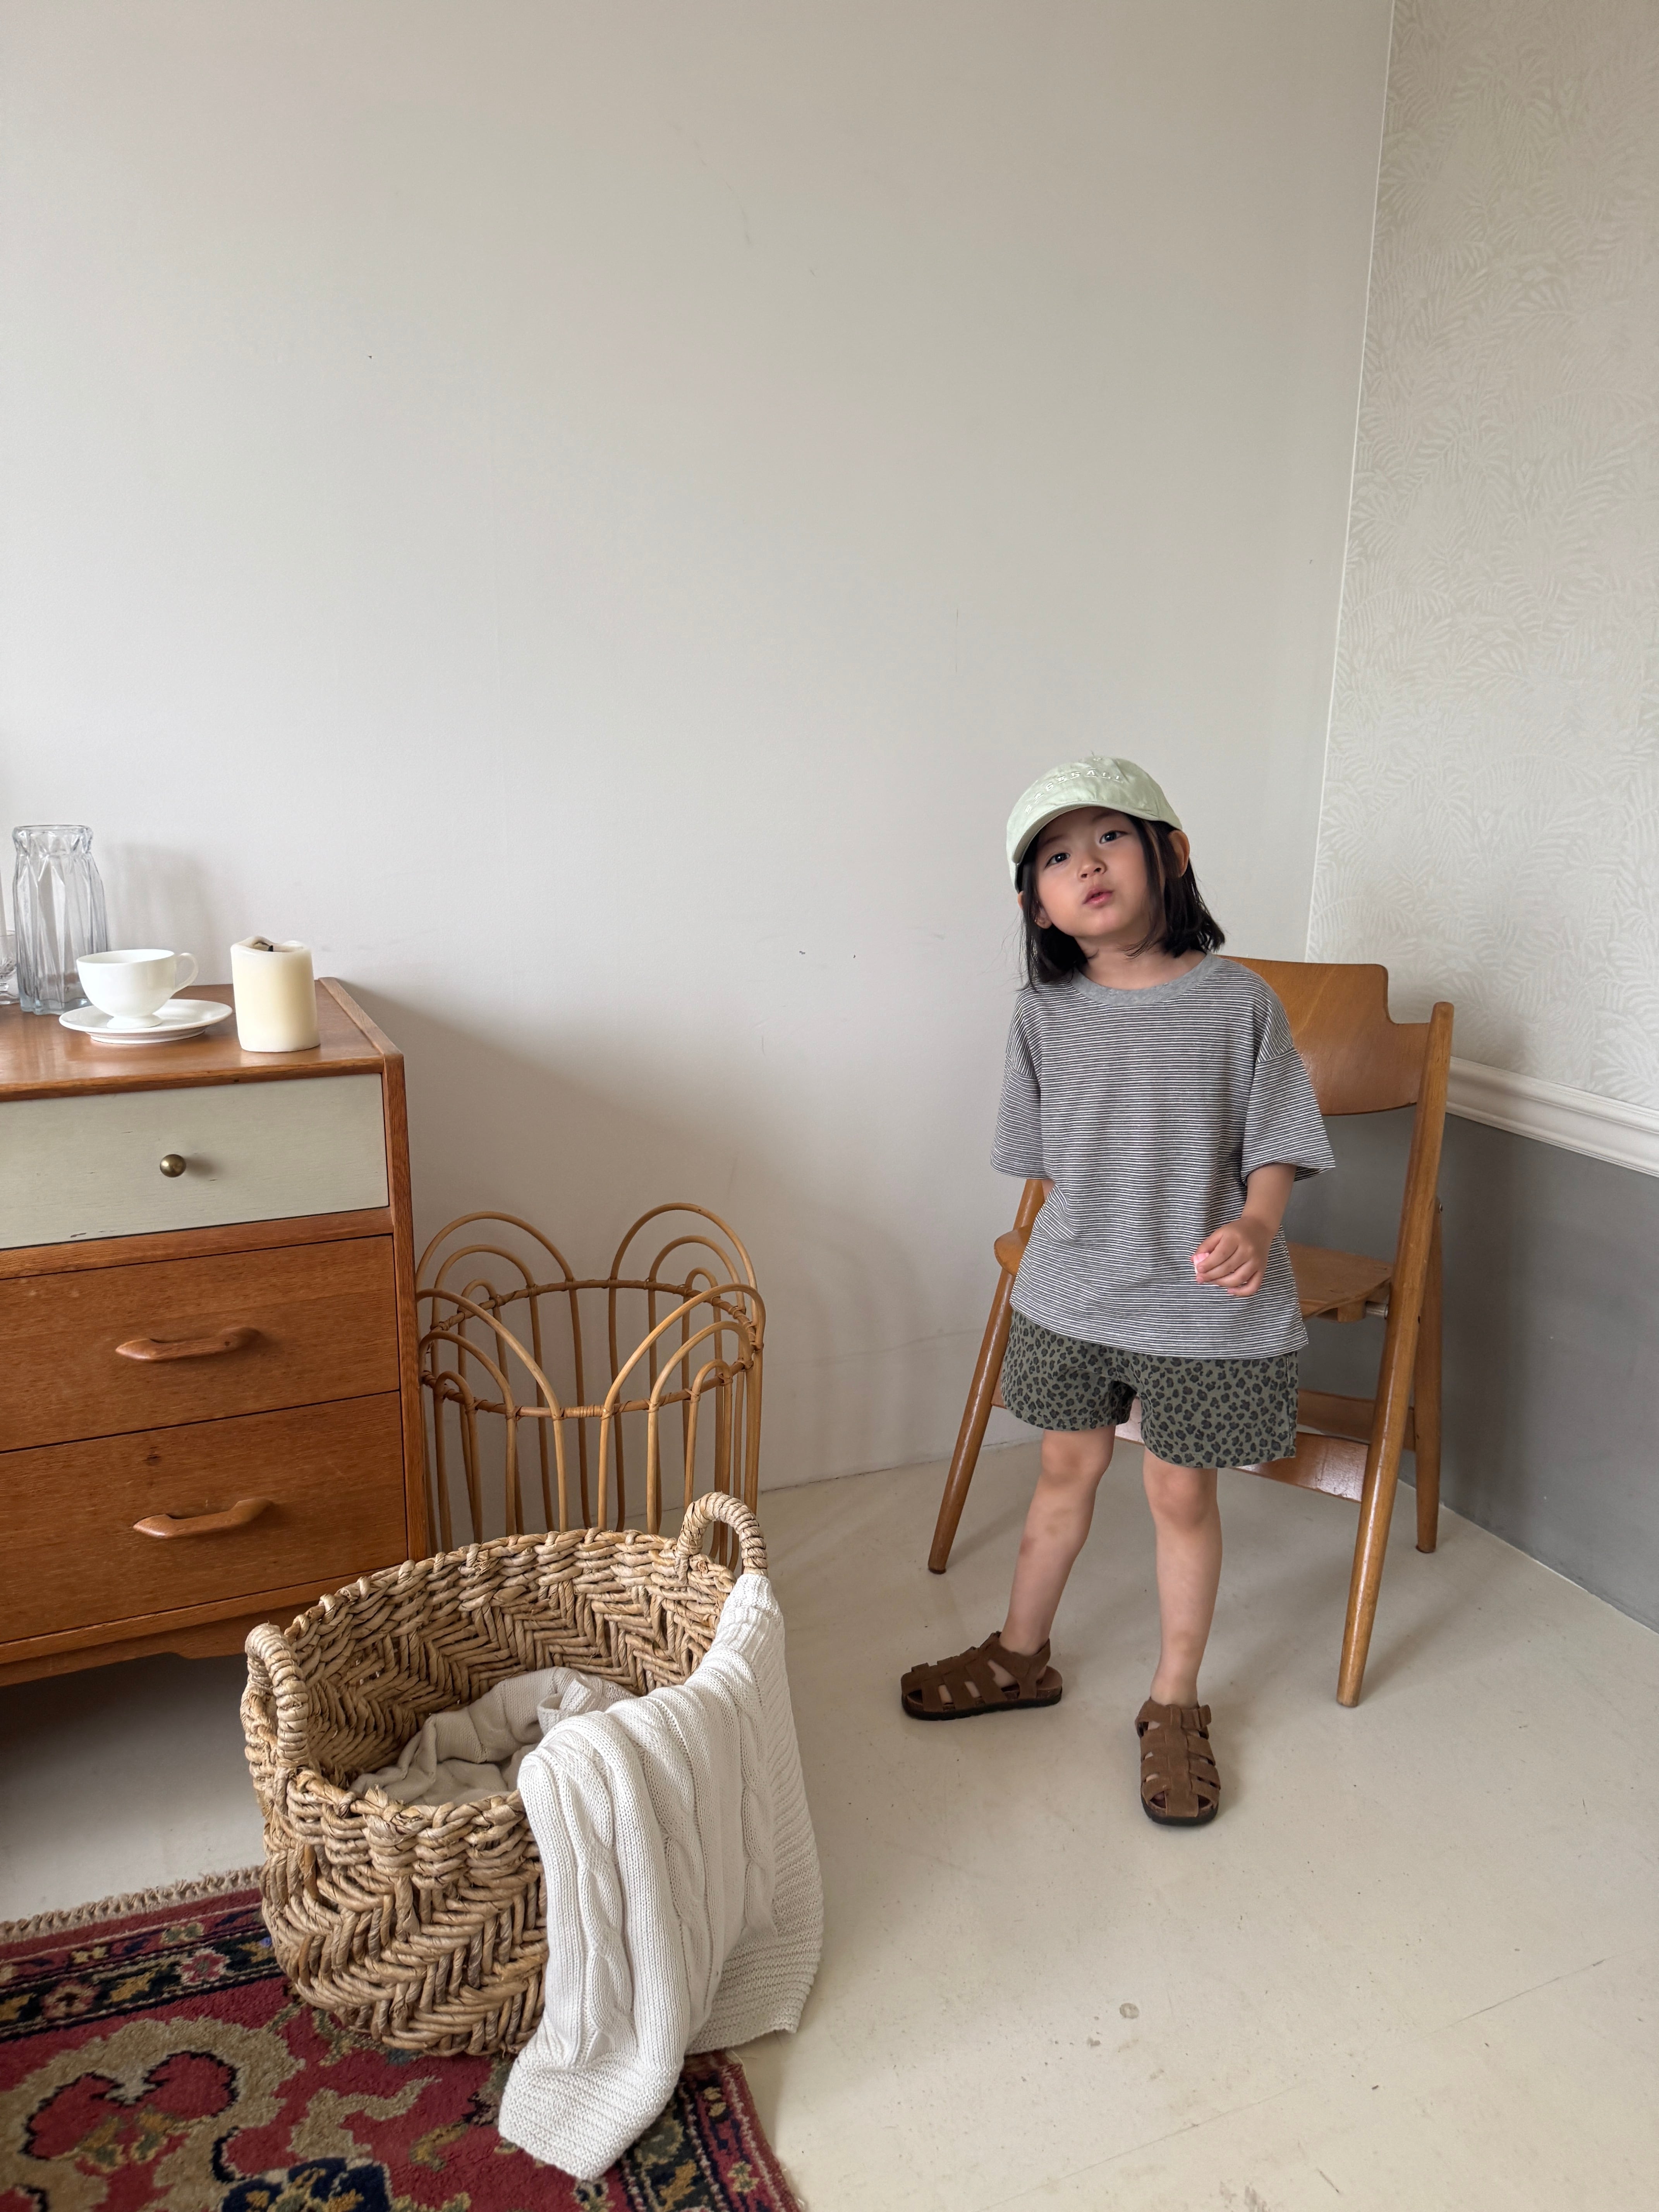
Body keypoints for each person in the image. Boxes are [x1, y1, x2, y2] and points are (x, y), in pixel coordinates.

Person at [900, 756, 1333, 1825]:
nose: (1085, 864)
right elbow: (1039, 1159)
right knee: (1063, 1469)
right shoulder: (1040, 1013)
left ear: (1168, 854)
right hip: (1075, 1295)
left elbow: (1276, 1137)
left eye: (1108, 837)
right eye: (1055, 856)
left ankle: (1175, 1701)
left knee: (1181, 1495)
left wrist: (1256, 1224)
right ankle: (1020, 1654)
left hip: (1200, 1303)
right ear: (1034, 905)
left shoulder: (1240, 1002)